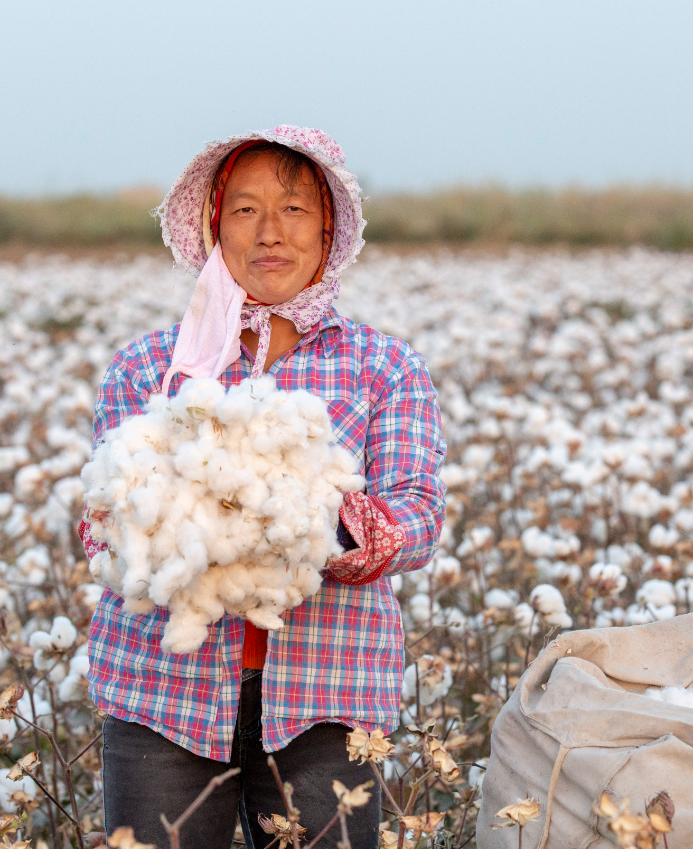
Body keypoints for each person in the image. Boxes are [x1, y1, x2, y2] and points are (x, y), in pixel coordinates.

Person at [79, 126, 446, 849]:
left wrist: (313, 522)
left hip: (326, 697)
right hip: (161, 691)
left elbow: (418, 514)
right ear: (214, 225)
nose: (270, 233)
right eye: (245, 210)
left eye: (294, 210)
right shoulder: (148, 366)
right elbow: (103, 521)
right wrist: (145, 524)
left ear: (329, 230)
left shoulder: (383, 367)